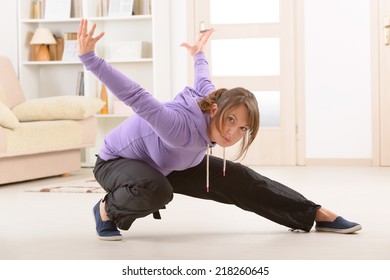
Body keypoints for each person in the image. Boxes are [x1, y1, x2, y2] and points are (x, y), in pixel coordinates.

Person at [77, 19, 362, 241]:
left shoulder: (212, 99)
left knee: (242, 180)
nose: (234, 133)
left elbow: (203, 76)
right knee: (157, 188)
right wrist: (91, 59)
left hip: (170, 162)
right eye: (231, 121)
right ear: (217, 111)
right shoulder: (177, 127)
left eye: (243, 128)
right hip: (118, 165)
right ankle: (106, 209)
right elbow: (136, 96)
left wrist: (198, 54)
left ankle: (313, 214)